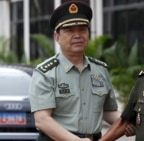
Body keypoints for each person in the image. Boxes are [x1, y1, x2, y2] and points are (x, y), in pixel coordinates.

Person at [28, 1, 133, 141]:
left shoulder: (100, 69)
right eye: (69, 30)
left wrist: (125, 123)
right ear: (57, 37)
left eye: (82, 30)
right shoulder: (46, 73)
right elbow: (42, 120)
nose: (77, 35)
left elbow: (109, 111)